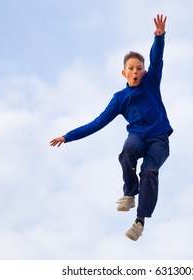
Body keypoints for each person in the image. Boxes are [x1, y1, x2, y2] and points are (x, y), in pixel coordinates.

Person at [50, 14, 173, 241]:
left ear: (144, 72)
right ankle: (129, 193)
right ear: (124, 73)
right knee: (127, 152)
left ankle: (139, 221)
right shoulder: (119, 98)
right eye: (131, 69)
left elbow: (157, 59)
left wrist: (159, 37)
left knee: (148, 171)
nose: (136, 72)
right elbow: (97, 123)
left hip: (159, 140)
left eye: (139, 68)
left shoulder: (151, 80)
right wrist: (67, 136)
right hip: (137, 136)